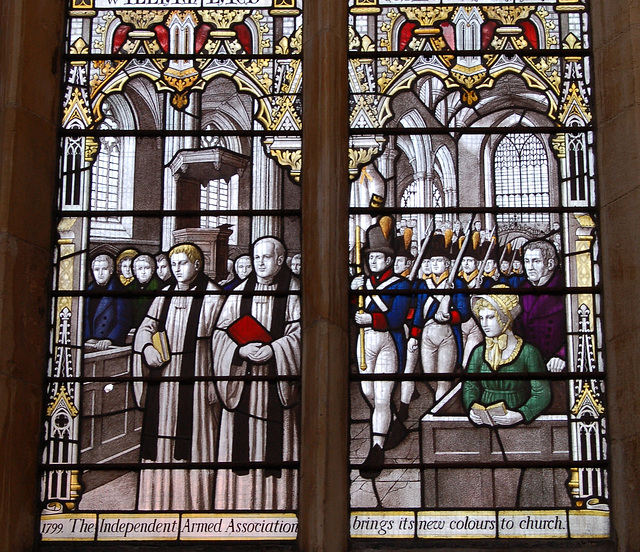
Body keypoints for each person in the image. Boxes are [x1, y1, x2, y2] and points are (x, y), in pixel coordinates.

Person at [132, 243, 224, 510]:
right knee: (162, 437)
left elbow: (222, 340)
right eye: (174, 264)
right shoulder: (164, 294)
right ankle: (158, 502)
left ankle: (196, 503)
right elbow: (146, 327)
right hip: (164, 377)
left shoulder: (214, 296)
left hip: (197, 377)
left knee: (196, 439)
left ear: (197, 265)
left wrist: (214, 383)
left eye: (183, 263)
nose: (178, 269)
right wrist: (147, 347)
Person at [211, 236, 301, 509]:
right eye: (256, 258)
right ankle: (237, 505)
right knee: (241, 444)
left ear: (281, 260)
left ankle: (280, 505)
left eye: (267, 257)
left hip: (277, 383)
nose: (260, 263)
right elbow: (220, 333)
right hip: (243, 382)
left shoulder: (294, 291)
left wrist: (275, 350)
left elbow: (301, 336)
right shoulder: (239, 293)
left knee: (277, 444)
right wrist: (239, 351)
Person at [351, 218, 412, 477]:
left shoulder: (401, 285)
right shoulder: (362, 282)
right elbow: (351, 310)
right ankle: (394, 422)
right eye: (370, 258)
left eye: (378, 258)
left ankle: (376, 448)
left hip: (388, 343)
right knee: (369, 392)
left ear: (388, 261)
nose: (373, 261)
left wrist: (372, 319)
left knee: (383, 396)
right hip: (364, 342)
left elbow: (397, 318)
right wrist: (352, 293)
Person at [463, 287, 551, 427]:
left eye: (490, 317)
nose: (484, 324)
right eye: (481, 318)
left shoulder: (528, 352)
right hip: (484, 425)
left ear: (505, 319)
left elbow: (542, 393)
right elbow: (470, 385)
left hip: (521, 427)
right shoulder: (479, 352)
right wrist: (472, 407)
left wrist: (521, 414)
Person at [410, 233, 470, 401]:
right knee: (429, 376)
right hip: (426, 337)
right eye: (432, 261)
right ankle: (445, 400)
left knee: (444, 379)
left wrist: (449, 317)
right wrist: (414, 336)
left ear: (448, 263)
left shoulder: (457, 284)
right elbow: (419, 312)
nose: (435, 264)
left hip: (447, 335)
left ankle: (439, 411)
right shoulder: (424, 285)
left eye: (439, 261)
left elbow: (464, 312)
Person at [513, 240, 566, 372]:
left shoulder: (564, 288)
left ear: (550, 264)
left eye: (536, 261)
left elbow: (579, 326)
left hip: (557, 367)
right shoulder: (522, 290)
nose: (529, 267)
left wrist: (563, 355)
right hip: (529, 365)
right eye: (526, 261)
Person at [84, 253, 131, 350]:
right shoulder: (88, 291)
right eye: (97, 269)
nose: (100, 273)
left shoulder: (119, 290)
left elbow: (123, 321)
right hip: (89, 344)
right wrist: (87, 337)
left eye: (104, 269)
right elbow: (84, 318)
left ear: (111, 270)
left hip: (109, 346)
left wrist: (109, 339)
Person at [130, 254, 161, 328]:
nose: (143, 272)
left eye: (147, 268)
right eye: (140, 268)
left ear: (153, 270)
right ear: (134, 271)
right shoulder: (128, 289)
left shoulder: (161, 288)